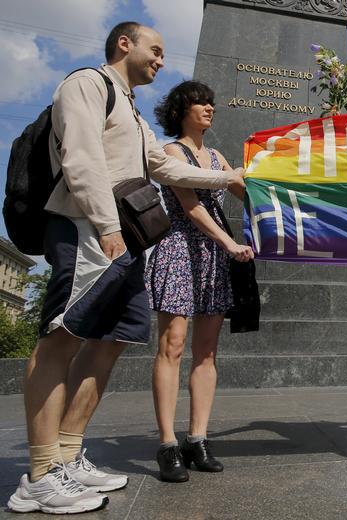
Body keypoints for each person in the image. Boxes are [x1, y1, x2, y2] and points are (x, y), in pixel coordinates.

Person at [7, 22, 246, 515]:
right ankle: (41, 472)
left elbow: (169, 169)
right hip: (89, 230)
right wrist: (106, 225)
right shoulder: (87, 84)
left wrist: (229, 176)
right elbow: (82, 158)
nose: (161, 60)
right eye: (155, 51)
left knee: (110, 343)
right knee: (62, 338)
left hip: (128, 241)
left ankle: (70, 455)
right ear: (124, 43)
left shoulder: (134, 114)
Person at [146, 81, 254, 483]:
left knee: (207, 353)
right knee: (172, 346)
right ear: (181, 110)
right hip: (180, 250)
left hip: (214, 258)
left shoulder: (216, 155)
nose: (209, 107)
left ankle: (198, 438)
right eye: (200, 102)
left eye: (211, 102)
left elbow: (247, 193)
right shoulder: (172, 151)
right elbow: (190, 206)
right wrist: (229, 241)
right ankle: (167, 443)